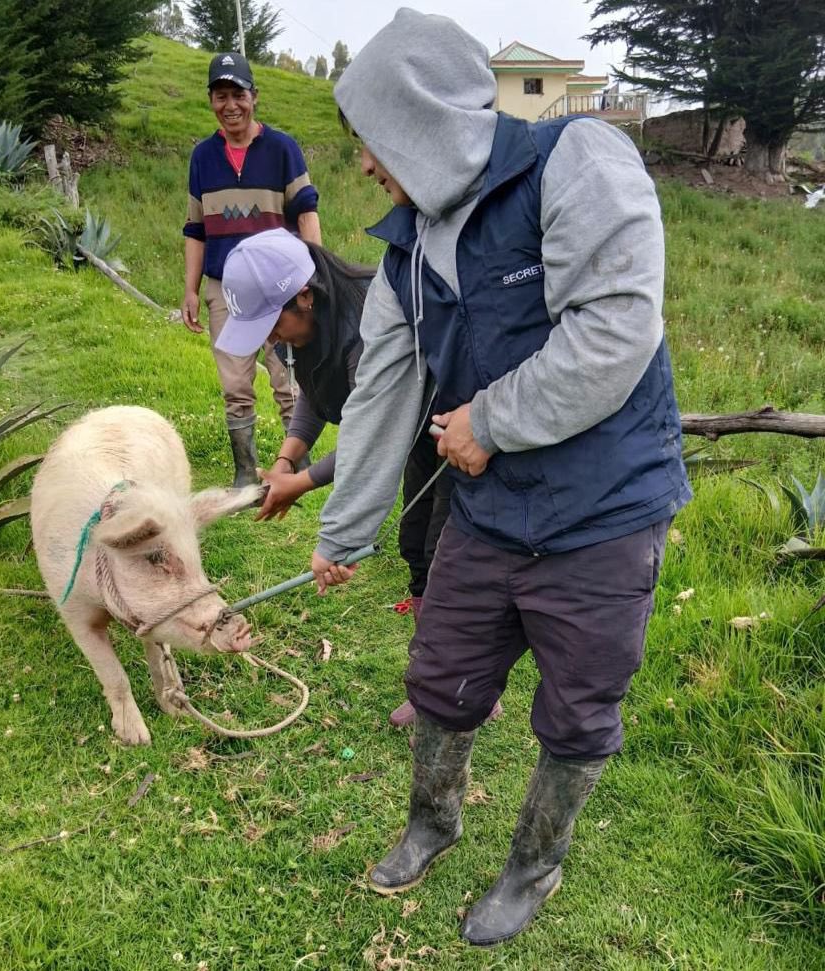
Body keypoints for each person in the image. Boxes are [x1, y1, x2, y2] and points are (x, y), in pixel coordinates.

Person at [308, 8, 691, 947]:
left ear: (418, 120)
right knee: (441, 675)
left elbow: (615, 331)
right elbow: (382, 392)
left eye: (370, 142)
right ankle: (433, 823)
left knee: (577, 708)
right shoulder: (407, 249)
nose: (364, 165)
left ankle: (534, 865)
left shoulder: (578, 162)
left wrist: (492, 418)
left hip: (604, 513)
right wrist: (344, 531)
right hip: (489, 512)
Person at [216, 229, 499, 729]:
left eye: (271, 321)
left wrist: (304, 488)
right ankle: (439, 676)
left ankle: (457, 692)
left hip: (457, 434)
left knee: (446, 561)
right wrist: (288, 459)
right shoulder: (305, 329)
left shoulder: (367, 324)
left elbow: (376, 434)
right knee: (415, 551)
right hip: (416, 442)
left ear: (305, 293)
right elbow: (313, 389)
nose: (269, 337)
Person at [181, 51, 322, 487]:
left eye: (238, 94)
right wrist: (190, 289)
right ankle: (245, 471)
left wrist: (315, 273)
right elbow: (195, 228)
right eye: (221, 96)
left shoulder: (283, 149)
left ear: (254, 97)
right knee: (235, 381)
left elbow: (306, 212)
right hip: (225, 287)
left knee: (287, 376)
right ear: (211, 101)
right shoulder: (202, 157)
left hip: (280, 286)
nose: (231, 105)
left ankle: (297, 467)